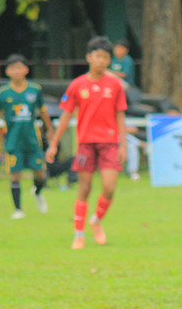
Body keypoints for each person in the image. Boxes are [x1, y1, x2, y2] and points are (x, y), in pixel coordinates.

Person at [46, 36, 128, 249]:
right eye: (98, 56)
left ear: (109, 60)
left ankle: (96, 221)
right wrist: (54, 143)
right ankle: (79, 234)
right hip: (86, 144)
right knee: (84, 188)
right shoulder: (77, 85)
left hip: (109, 143)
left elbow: (120, 114)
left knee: (109, 188)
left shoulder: (115, 84)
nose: (101, 61)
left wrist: (123, 144)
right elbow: (65, 116)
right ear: (89, 57)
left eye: (106, 57)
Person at [0, 54, 54, 218]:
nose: (16, 71)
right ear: (7, 71)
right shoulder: (2, 93)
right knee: (15, 175)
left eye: (19, 67)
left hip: (32, 140)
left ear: (26, 69)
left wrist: (50, 129)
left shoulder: (35, 90)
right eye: (13, 68)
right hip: (13, 141)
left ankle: (37, 192)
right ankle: (18, 209)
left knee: (40, 173)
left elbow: (43, 111)